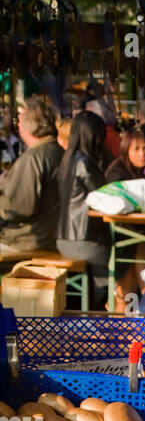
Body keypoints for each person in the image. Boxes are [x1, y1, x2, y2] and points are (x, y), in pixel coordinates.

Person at [55, 110, 111, 307]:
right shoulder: (84, 164)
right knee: (124, 264)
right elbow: (105, 197)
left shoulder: (66, 161)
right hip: (85, 240)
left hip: (64, 239)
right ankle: (126, 310)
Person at [0, 96, 63, 255]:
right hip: (49, 235)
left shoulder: (33, 158)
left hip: (27, 239)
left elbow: (16, 209)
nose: (18, 124)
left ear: (29, 126)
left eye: (19, 120)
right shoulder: (58, 152)